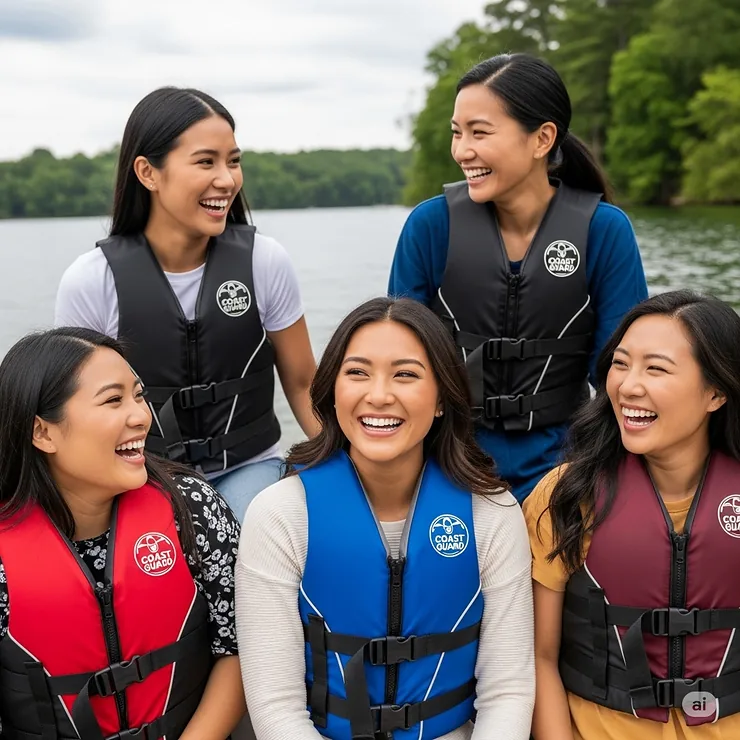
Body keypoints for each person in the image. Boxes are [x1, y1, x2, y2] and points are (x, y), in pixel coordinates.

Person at [235, 296, 534, 740]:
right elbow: (276, 706)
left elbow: (507, 690)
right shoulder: (279, 514)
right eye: (357, 372)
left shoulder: (491, 513)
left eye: (406, 375)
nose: (378, 395)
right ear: (332, 393)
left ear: (440, 400)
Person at [387, 53, 648, 504]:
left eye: (480, 132)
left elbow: (623, 374)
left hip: (567, 466)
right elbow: (395, 362)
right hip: (449, 462)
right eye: (457, 132)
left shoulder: (604, 231)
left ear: (542, 138)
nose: (461, 151)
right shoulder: (430, 227)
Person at [55, 86, 319, 523]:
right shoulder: (91, 280)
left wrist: (357, 468)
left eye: (233, 161)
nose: (227, 179)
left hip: (249, 466)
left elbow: (303, 381)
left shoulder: (264, 261)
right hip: (142, 474)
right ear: (148, 172)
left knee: (251, 532)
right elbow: (78, 413)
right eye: (205, 162)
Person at [0, 327, 246, 739]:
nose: (141, 416)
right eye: (114, 400)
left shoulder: (192, 507)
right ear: (42, 432)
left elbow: (239, 645)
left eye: (139, 395)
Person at [522, 290, 740, 740]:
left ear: (716, 391)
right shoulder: (563, 495)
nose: (627, 385)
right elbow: (537, 656)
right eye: (621, 364)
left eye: (655, 368)